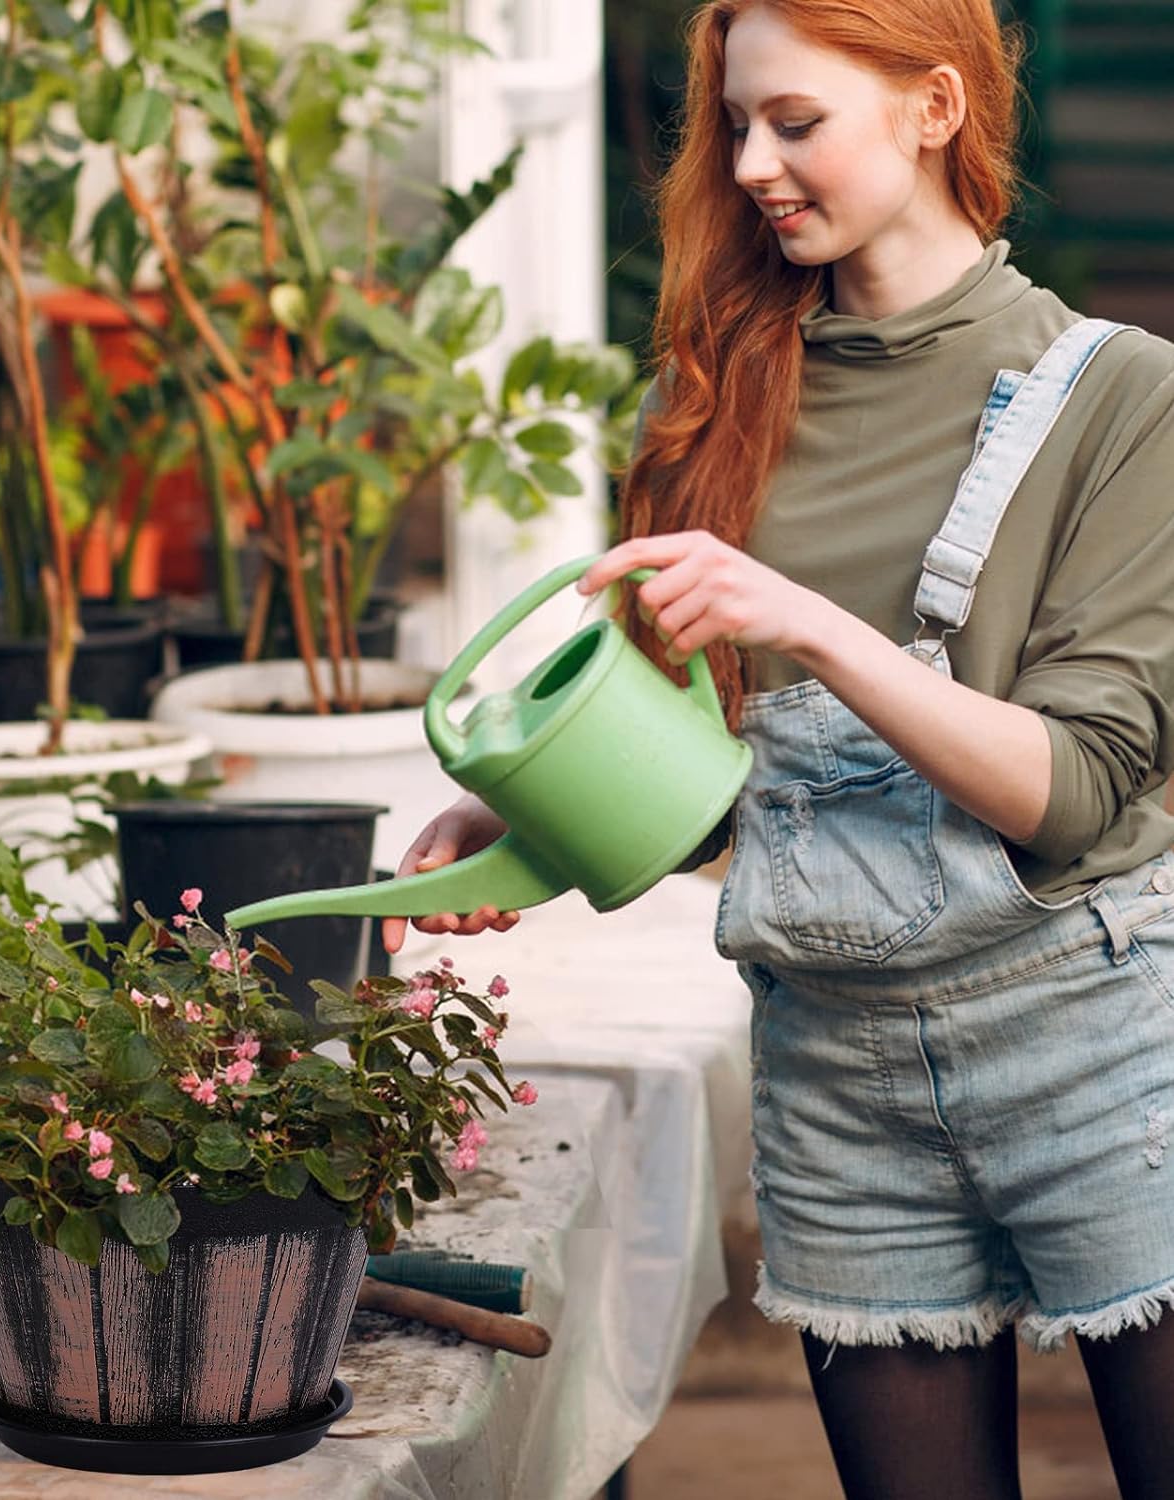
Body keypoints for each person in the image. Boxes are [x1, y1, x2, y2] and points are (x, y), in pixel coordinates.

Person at [382, 2, 1174, 1496]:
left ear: (935, 108)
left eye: (794, 123)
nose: (749, 162)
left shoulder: (1125, 399)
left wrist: (807, 623)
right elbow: (724, 797)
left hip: (1099, 1054)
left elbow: (1067, 793)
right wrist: (532, 842)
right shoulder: (717, 402)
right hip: (836, 1080)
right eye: (735, 124)